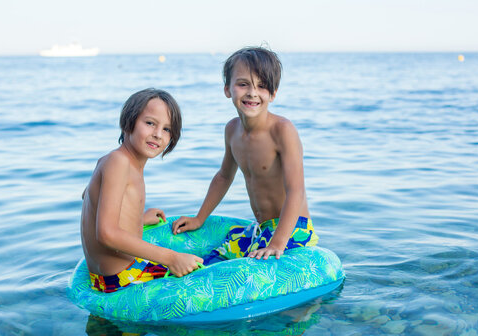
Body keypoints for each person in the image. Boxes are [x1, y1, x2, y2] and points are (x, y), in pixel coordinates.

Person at [172, 47, 318, 263]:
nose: (252, 93)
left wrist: (277, 243)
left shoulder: (282, 130)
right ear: (227, 89)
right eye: (243, 84)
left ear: (273, 93)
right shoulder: (232, 130)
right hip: (263, 228)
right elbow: (224, 177)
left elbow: (296, 190)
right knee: (211, 259)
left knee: (244, 267)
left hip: (294, 230)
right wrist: (199, 218)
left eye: (262, 86)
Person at [81, 88, 203, 293]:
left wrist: (137, 220)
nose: (157, 134)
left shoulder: (115, 160)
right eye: (150, 123)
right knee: (203, 272)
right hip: (123, 279)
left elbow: (88, 195)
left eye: (167, 129)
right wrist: (171, 258)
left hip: (112, 276)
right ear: (128, 121)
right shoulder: (118, 162)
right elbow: (105, 234)